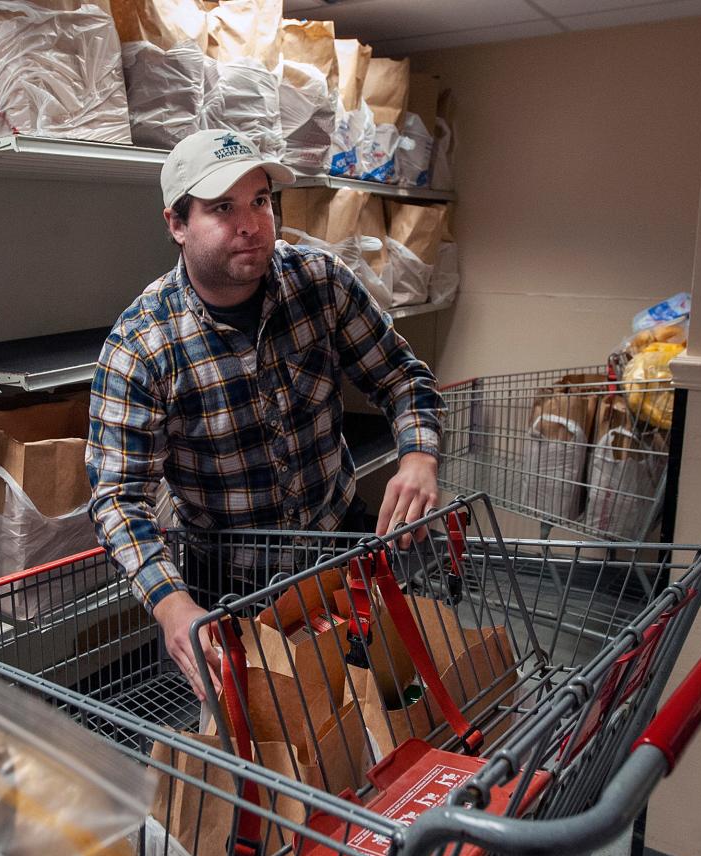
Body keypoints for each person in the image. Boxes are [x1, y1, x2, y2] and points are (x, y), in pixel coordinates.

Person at [86, 128, 446, 700]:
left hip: (342, 551)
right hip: (229, 585)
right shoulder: (142, 346)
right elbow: (118, 498)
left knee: (380, 713)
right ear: (176, 224)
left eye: (260, 201)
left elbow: (402, 378)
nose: (250, 223)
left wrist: (420, 456)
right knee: (261, 748)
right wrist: (172, 604)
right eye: (222, 208)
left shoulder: (320, 284)